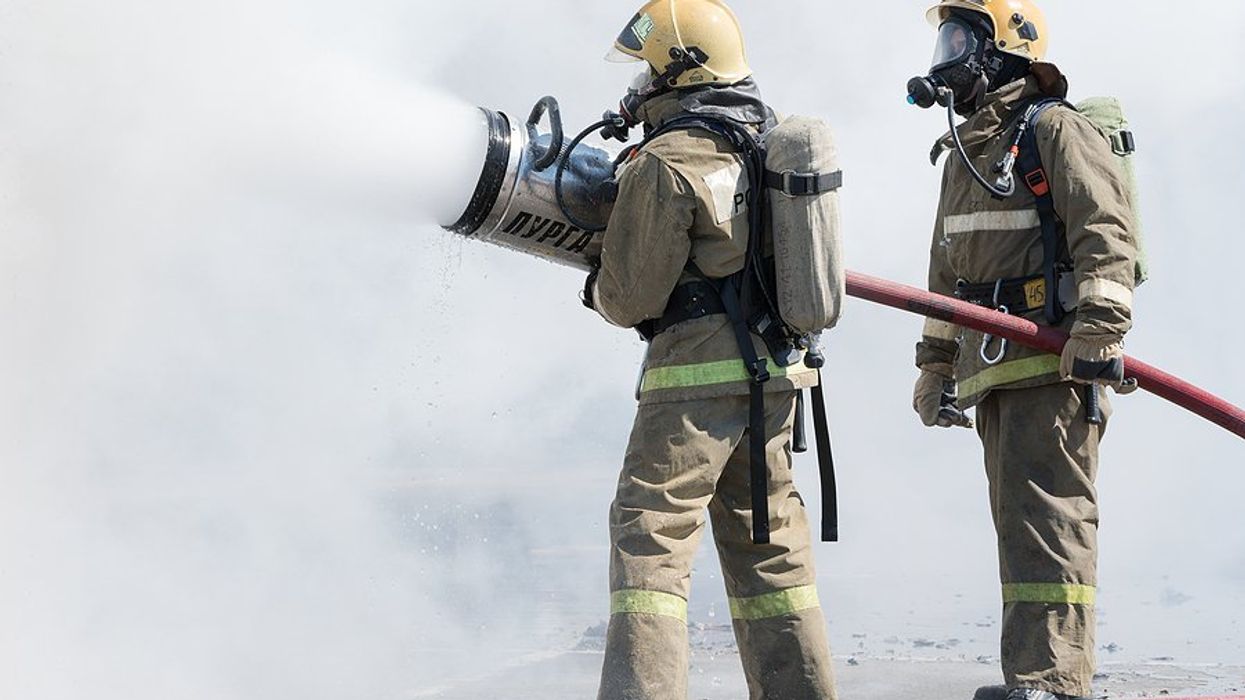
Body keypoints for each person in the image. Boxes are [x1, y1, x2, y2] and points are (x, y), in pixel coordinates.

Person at [581, 1, 837, 698]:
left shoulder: (668, 160)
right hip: (774, 379)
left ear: (676, 67)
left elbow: (630, 296)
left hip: (691, 383)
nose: (636, 87)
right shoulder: (763, 140)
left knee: (650, 544)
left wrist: (595, 280)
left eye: (645, 69)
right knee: (771, 556)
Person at [907, 2, 1139, 699]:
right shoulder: (965, 153)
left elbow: (1105, 228)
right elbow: (947, 272)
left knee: (1052, 522)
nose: (944, 54)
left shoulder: (1052, 129)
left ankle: (1054, 683)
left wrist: (1100, 326)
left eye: (957, 39)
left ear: (1003, 50)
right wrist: (933, 365)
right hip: (994, 369)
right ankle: (1031, 678)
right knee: (1020, 528)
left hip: (1053, 361)